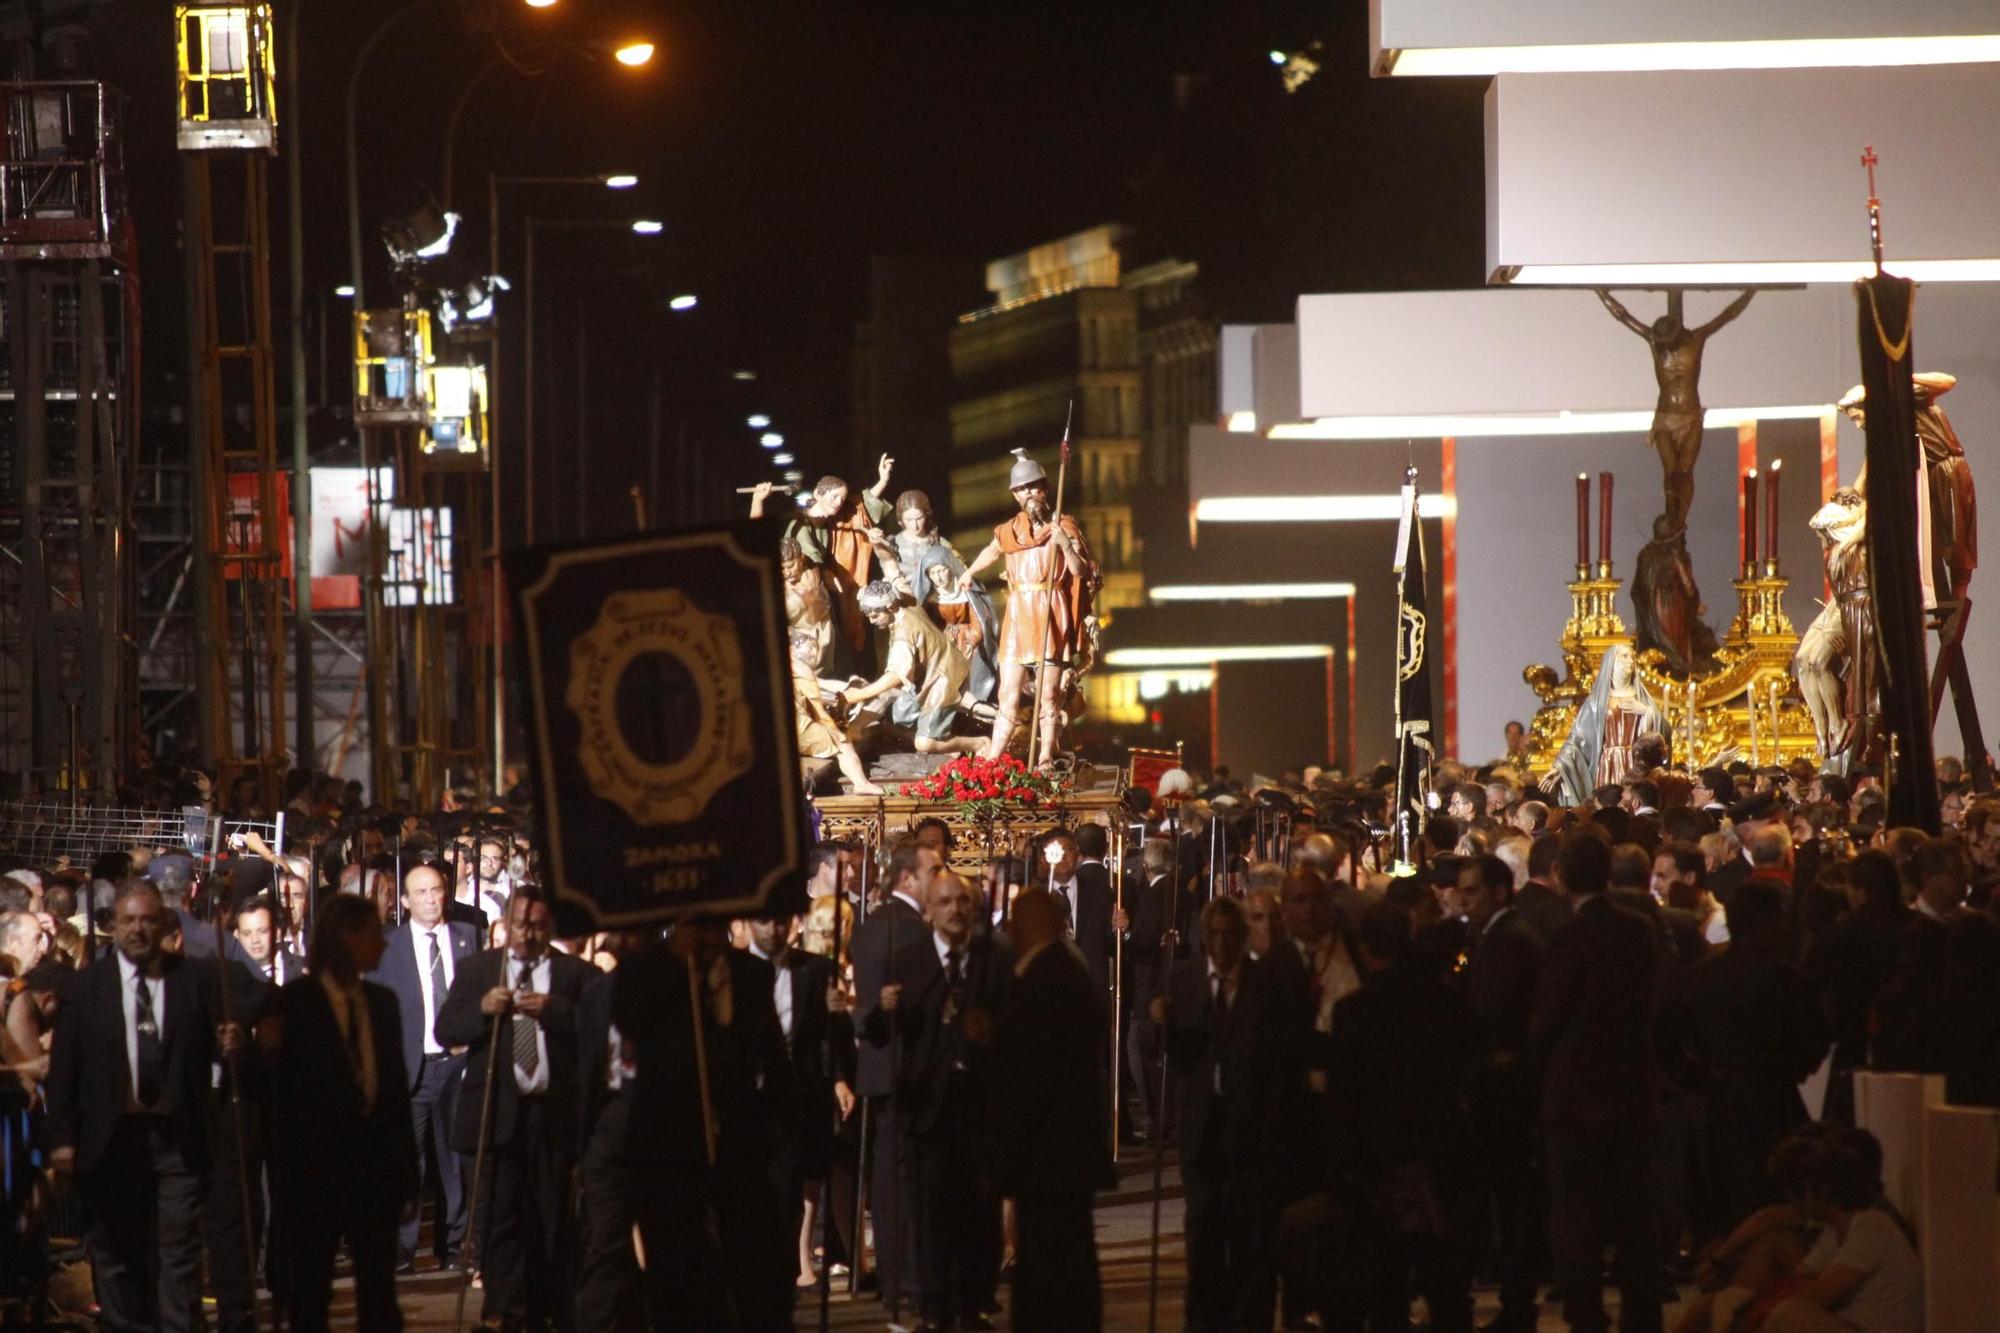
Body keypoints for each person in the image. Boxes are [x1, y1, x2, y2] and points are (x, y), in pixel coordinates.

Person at [44, 881, 247, 1333]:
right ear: (114, 926)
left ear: (163, 925)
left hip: (176, 1138)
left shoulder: (192, 979)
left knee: (177, 1252)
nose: (138, 929)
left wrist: (227, 1048)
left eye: (148, 920)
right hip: (111, 1139)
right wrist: (62, 1138)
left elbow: (215, 1047)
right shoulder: (87, 988)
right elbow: (64, 1069)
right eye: (129, 920)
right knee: (116, 1254)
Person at [614, 916, 799, 1330]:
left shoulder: (751, 973)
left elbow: (772, 1054)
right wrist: (676, 962)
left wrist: (788, 1128)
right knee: (676, 1269)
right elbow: (629, 1018)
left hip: (738, 1139)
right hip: (668, 1144)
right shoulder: (648, 970)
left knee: (755, 1265)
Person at [436, 892, 595, 1332]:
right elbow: (446, 1028)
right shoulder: (479, 970)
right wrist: (483, 1010)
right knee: (500, 1216)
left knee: (549, 1214)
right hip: (497, 1110)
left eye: (539, 926)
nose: (529, 934)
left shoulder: (575, 974)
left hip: (552, 1112)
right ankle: (506, 1310)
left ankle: (547, 1305)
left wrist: (557, 1012)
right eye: (522, 925)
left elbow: (599, 1030)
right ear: (506, 925)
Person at [1532, 831, 1666, 1333]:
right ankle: (1643, 1313)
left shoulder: (1567, 934)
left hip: (1576, 1091)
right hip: (1631, 1084)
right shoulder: (1637, 929)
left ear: (1563, 876)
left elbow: (1551, 1013)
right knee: (1636, 1212)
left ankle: (1585, 1311)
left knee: (1576, 1212)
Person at [265, 894, 418, 1332]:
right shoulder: (296, 1002)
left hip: (375, 1172)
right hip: (317, 1173)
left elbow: (395, 1096)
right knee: (311, 1292)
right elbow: (282, 1102)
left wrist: (405, 1172)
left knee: (379, 1293)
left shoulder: (382, 1002)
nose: (384, 945)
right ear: (346, 939)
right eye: (373, 935)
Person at [880, 871, 1009, 1331]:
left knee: (979, 1215)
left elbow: (1015, 1025)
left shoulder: (994, 960)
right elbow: (880, 1033)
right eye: (945, 902)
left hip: (980, 1107)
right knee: (931, 1216)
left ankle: (973, 1303)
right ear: (929, 909)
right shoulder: (908, 960)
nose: (955, 909)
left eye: (962, 901)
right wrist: (882, 1010)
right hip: (927, 1109)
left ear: (972, 908)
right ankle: (934, 1308)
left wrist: (990, 1031)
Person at [1671, 882, 1830, 1237]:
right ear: (1763, 923)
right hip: (1772, 1098)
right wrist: (1791, 1068)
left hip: (1714, 1101)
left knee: (1721, 1201)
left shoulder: (1699, 977)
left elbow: (1670, 1039)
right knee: (1773, 1198)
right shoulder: (1786, 979)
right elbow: (1815, 1038)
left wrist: (1697, 1076)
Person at [1158, 897, 1284, 1331]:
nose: (1222, 942)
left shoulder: (1263, 983)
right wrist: (1162, 1024)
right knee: (1204, 1235)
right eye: (1215, 934)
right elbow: (1168, 1053)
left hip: (1249, 1129)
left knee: (1251, 1237)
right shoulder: (1185, 980)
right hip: (1201, 1130)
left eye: (1231, 934)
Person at [993, 889, 1115, 1330]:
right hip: (1063, 1152)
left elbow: (1029, 1073)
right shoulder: (1061, 972)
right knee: (1066, 1257)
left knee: (1053, 1263)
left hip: (1048, 1152)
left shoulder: (1045, 979)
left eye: (1016, 920)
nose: (1010, 929)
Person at [368, 861, 480, 1270]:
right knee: (406, 1162)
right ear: (404, 901)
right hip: (409, 1069)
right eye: (421, 893)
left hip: (456, 1063)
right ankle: (402, 1249)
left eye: (436, 890)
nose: (431, 900)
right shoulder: (387, 946)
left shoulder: (469, 938)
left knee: (455, 1160)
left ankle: (455, 1245)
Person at [958, 448, 1098, 767]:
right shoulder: (1010, 530)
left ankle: (1046, 757)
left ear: (1045, 489)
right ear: (1015, 495)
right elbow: (992, 552)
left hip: (1051, 610)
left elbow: (1079, 571)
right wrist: (969, 572)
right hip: (1019, 613)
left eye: (1034, 486)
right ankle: (993, 757)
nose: (1029, 493)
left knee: (1049, 695)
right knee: (1007, 694)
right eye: (1022, 489)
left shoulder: (1063, 525)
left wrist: (1064, 544)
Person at [1453, 853, 1544, 1331]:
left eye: (1471, 891)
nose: (1463, 900)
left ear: (1500, 891)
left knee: (1509, 1200)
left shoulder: (1510, 940)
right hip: (1497, 1087)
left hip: (1505, 1091)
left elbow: (1492, 1015)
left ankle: (1517, 1304)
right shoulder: (1492, 936)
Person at [850, 841, 938, 1314]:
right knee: (905, 1178)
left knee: (887, 1176)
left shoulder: (869, 926)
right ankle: (907, 1274)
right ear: (908, 878)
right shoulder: (909, 933)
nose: (938, 878)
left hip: (878, 1068)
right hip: (906, 1067)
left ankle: (892, 1272)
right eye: (932, 870)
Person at [742, 913, 844, 1291]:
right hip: (746, 1098)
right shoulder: (734, 970)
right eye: (765, 920)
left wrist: (837, 1015)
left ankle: (785, 1269)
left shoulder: (814, 970)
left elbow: (826, 1038)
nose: (773, 928)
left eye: (781, 921)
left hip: (794, 1096)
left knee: (792, 1188)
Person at [839, 580, 982, 756]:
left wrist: (858, 695)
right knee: (892, 720)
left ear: (890, 607)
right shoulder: (905, 600)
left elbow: (896, 676)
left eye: (875, 615)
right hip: (926, 672)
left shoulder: (904, 636)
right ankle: (945, 743)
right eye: (868, 615)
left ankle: (977, 744)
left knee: (924, 744)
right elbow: (893, 571)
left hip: (943, 679)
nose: (871, 620)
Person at [783, 458, 901, 667]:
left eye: (842, 498)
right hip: (807, 595)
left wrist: (882, 480)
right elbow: (810, 557)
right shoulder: (802, 525)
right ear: (818, 494)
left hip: (830, 593)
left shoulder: (833, 519)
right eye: (834, 496)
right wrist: (826, 573)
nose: (839, 502)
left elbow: (861, 508)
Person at [891, 488, 999, 703]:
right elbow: (889, 569)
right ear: (901, 520)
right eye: (909, 519)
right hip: (912, 607)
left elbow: (958, 568)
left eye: (919, 518)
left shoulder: (940, 544)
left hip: (943, 609)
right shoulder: (893, 543)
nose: (915, 525)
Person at [1544, 645, 1666, 805]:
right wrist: (1560, 767)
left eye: (1632, 656)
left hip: (1638, 765)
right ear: (1611, 663)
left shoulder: (1644, 700)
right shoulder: (1596, 703)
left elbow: (1663, 735)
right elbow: (1577, 740)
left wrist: (1648, 713)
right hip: (1607, 763)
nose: (1630, 661)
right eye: (1624, 656)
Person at [789, 628, 883, 794]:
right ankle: (861, 783)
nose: (815, 654)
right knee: (843, 745)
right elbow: (818, 711)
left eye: (816, 648)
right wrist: (837, 732)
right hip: (799, 729)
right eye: (809, 648)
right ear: (792, 649)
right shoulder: (801, 668)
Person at [233, 894, 305, 985]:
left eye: (262, 931)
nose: (255, 940)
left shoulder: (304, 968)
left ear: (277, 932)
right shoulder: (229, 978)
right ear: (237, 935)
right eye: (247, 934)